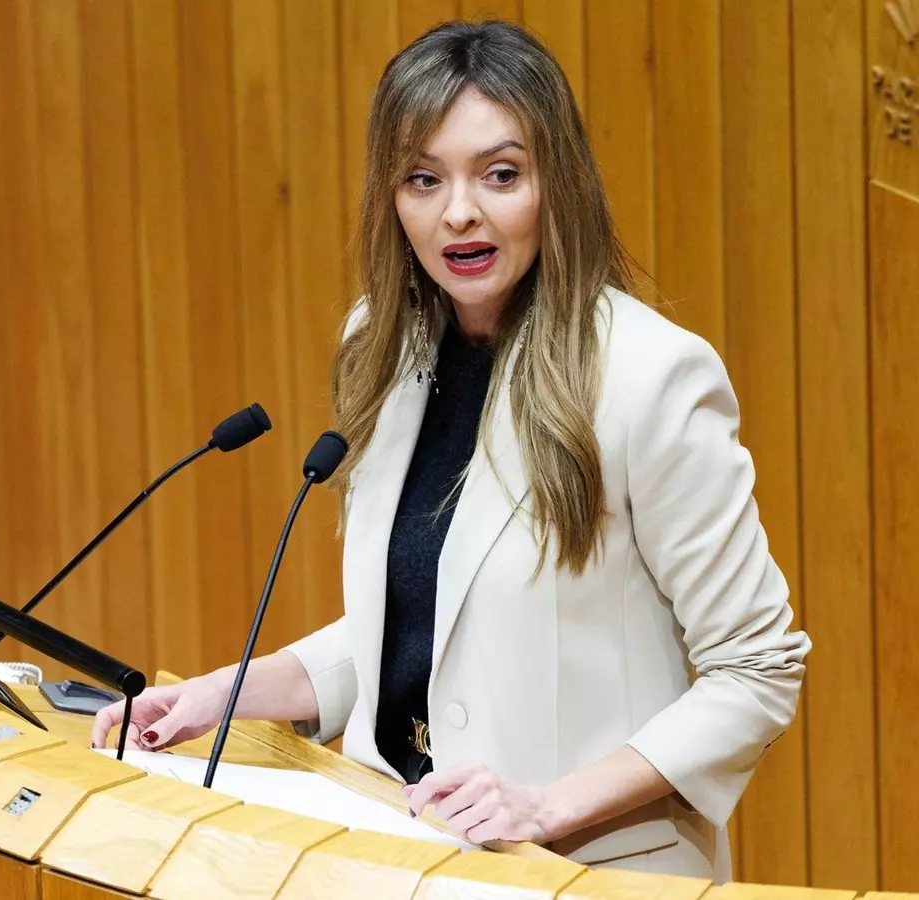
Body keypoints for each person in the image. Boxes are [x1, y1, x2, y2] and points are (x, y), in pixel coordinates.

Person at [92, 19, 809, 880]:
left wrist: (547, 804)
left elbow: (756, 671)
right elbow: (421, 621)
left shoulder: (648, 378)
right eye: (423, 179)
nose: (459, 211)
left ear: (556, 184)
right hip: (399, 852)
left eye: (500, 174)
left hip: (582, 871)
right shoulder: (384, 346)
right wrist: (223, 694)